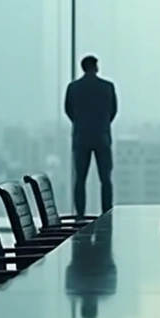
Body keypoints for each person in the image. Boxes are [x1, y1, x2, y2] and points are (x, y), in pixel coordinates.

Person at [64, 55, 117, 215]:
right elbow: (113, 111)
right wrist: (102, 124)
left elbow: (68, 110)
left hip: (81, 137)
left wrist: (80, 123)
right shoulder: (107, 87)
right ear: (96, 67)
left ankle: (80, 214)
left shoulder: (73, 87)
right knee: (105, 179)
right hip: (102, 136)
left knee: (80, 178)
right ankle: (106, 212)